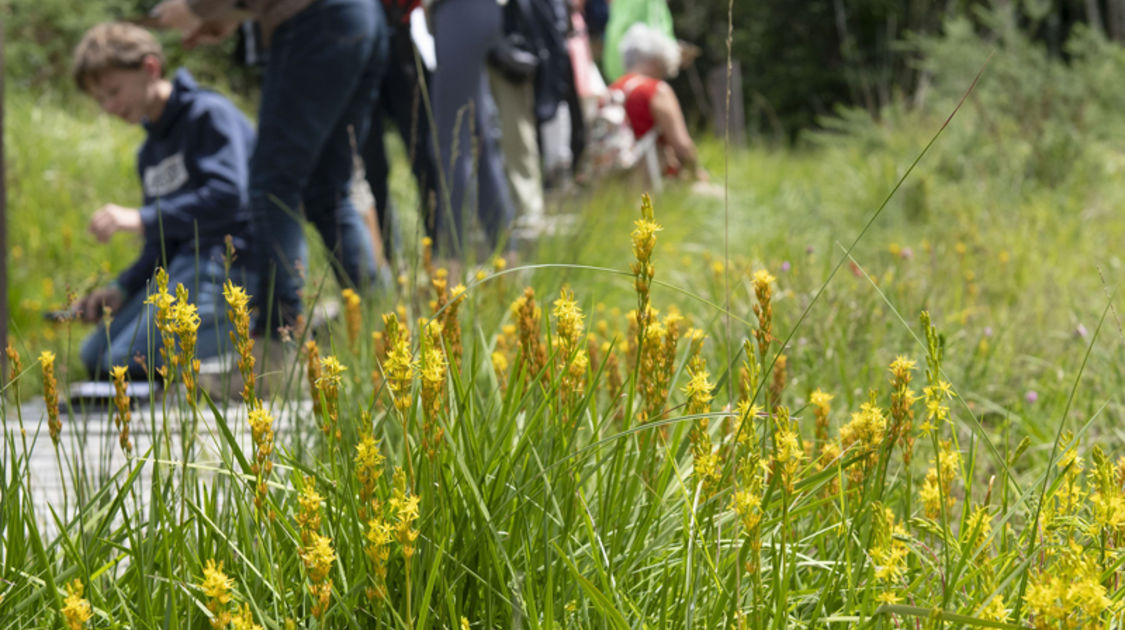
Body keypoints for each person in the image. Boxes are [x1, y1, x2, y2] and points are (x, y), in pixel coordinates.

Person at [152, 0, 391, 339]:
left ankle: (278, 340)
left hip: (315, 19)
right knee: (329, 191)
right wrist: (230, 13)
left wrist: (195, 6)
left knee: (272, 187)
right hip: (360, 15)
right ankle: (387, 330)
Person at [71, 21, 257, 380]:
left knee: (124, 362)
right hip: (184, 270)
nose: (109, 106)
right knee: (94, 354)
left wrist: (139, 217)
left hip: (231, 263)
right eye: (100, 100)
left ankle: (260, 326)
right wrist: (122, 288)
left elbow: (231, 199)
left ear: (150, 68)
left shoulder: (208, 115)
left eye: (113, 91)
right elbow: (161, 245)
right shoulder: (150, 152)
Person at [426, 0, 515, 264]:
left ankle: (452, 275)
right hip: (469, 12)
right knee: (479, 142)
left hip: (458, 9)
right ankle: (510, 265)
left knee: (451, 144)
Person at [364, 0, 439, 262]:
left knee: (425, 153)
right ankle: (387, 260)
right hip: (359, 43)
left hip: (401, 35)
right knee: (370, 162)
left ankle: (438, 251)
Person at [610, 22, 705, 181]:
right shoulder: (656, 90)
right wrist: (698, 175)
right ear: (656, 60)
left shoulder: (612, 89)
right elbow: (682, 146)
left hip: (614, 182)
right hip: (650, 181)